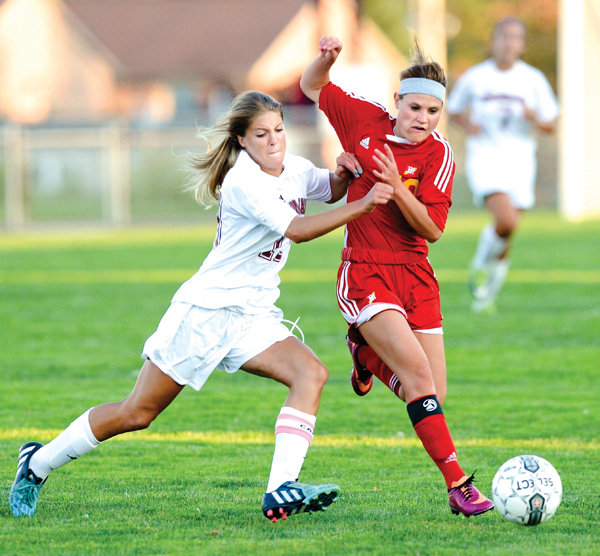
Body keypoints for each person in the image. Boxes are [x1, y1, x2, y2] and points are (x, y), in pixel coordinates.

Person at [9, 90, 394, 523]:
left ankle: (279, 489)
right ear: (242, 141)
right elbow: (298, 230)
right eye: (262, 134)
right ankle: (37, 463)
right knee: (137, 413)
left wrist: (343, 174)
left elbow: (328, 188)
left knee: (311, 373)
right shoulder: (243, 181)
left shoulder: (294, 168)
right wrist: (362, 205)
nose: (274, 141)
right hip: (204, 314)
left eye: (280, 131)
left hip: (252, 316)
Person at [300, 35, 495, 518]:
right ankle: (458, 484)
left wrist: (396, 190)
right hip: (365, 269)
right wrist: (326, 60)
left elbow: (433, 230)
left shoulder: (438, 155)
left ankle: (364, 353)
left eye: (432, 111)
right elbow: (311, 85)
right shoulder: (363, 121)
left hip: (416, 274)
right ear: (397, 103)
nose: (423, 119)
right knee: (418, 378)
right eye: (414, 108)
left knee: (430, 393)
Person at [446, 16, 559, 312]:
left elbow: (552, 123)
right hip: (486, 156)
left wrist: (535, 118)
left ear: (522, 44)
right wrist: (469, 127)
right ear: (494, 40)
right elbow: (454, 109)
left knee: (508, 232)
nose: (509, 43)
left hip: (520, 159)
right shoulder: (476, 77)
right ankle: (479, 264)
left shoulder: (532, 79)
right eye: (504, 36)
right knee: (505, 220)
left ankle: (485, 297)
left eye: (516, 37)